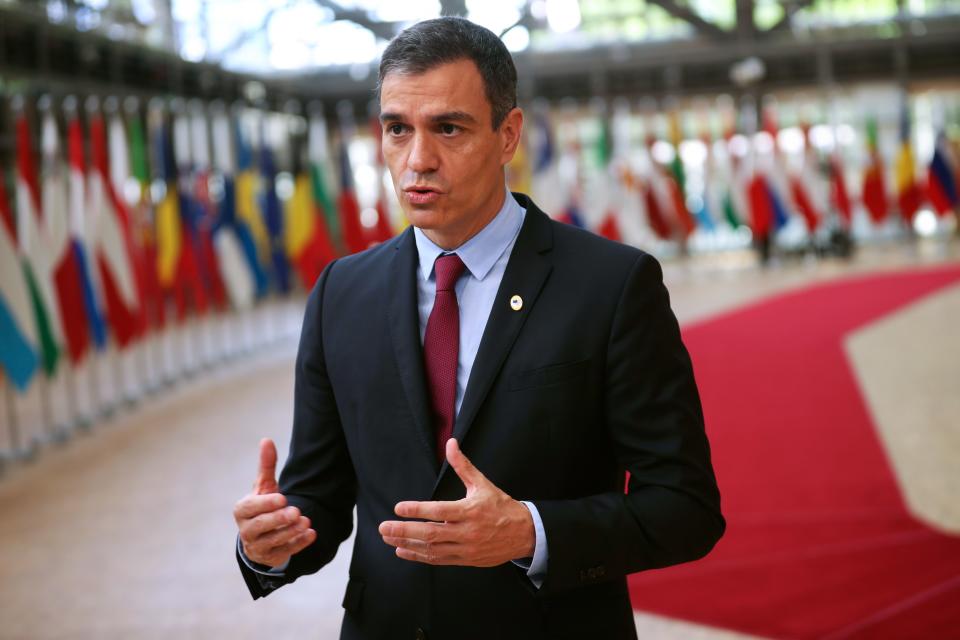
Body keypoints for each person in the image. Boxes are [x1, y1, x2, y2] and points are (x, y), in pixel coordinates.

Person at [233, 16, 723, 640]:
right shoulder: (341, 294)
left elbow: (686, 507)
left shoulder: (611, 286)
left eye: (448, 128)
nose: (418, 160)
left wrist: (530, 531)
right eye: (397, 129)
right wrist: (271, 544)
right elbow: (320, 500)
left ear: (507, 134)